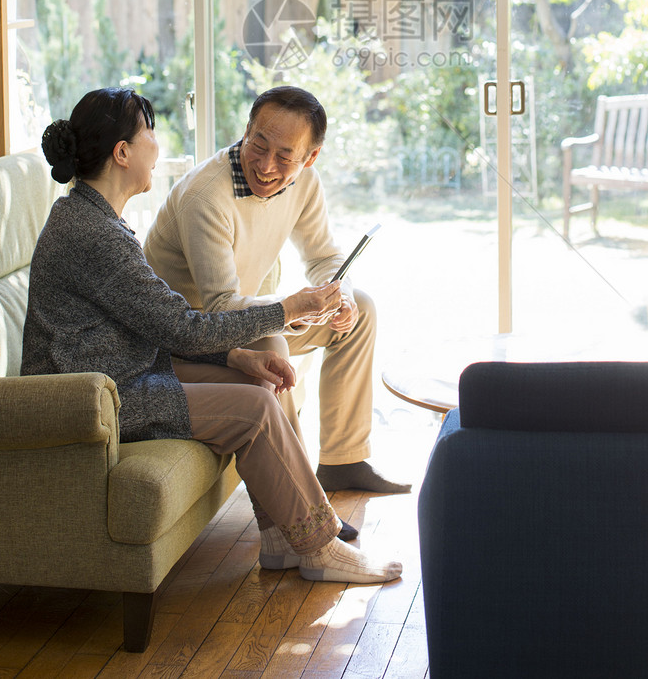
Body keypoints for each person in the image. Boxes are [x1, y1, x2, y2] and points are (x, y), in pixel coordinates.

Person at [20, 87, 401, 585]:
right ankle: (320, 546)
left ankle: (282, 538)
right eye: (149, 133)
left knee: (262, 382)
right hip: (96, 398)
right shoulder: (95, 234)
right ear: (123, 153)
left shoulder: (93, 219)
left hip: (124, 374)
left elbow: (153, 329)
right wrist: (287, 310)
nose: (157, 145)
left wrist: (240, 358)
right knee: (257, 408)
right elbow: (184, 325)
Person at [144, 85, 409, 495]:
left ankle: (345, 460)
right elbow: (218, 310)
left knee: (362, 310)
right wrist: (292, 309)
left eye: (285, 156)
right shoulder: (205, 197)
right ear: (246, 131)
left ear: (310, 157)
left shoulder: (305, 183)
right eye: (258, 144)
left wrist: (340, 292)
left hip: (242, 322)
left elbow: (324, 256)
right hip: (189, 342)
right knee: (272, 346)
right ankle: (303, 500)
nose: (266, 165)